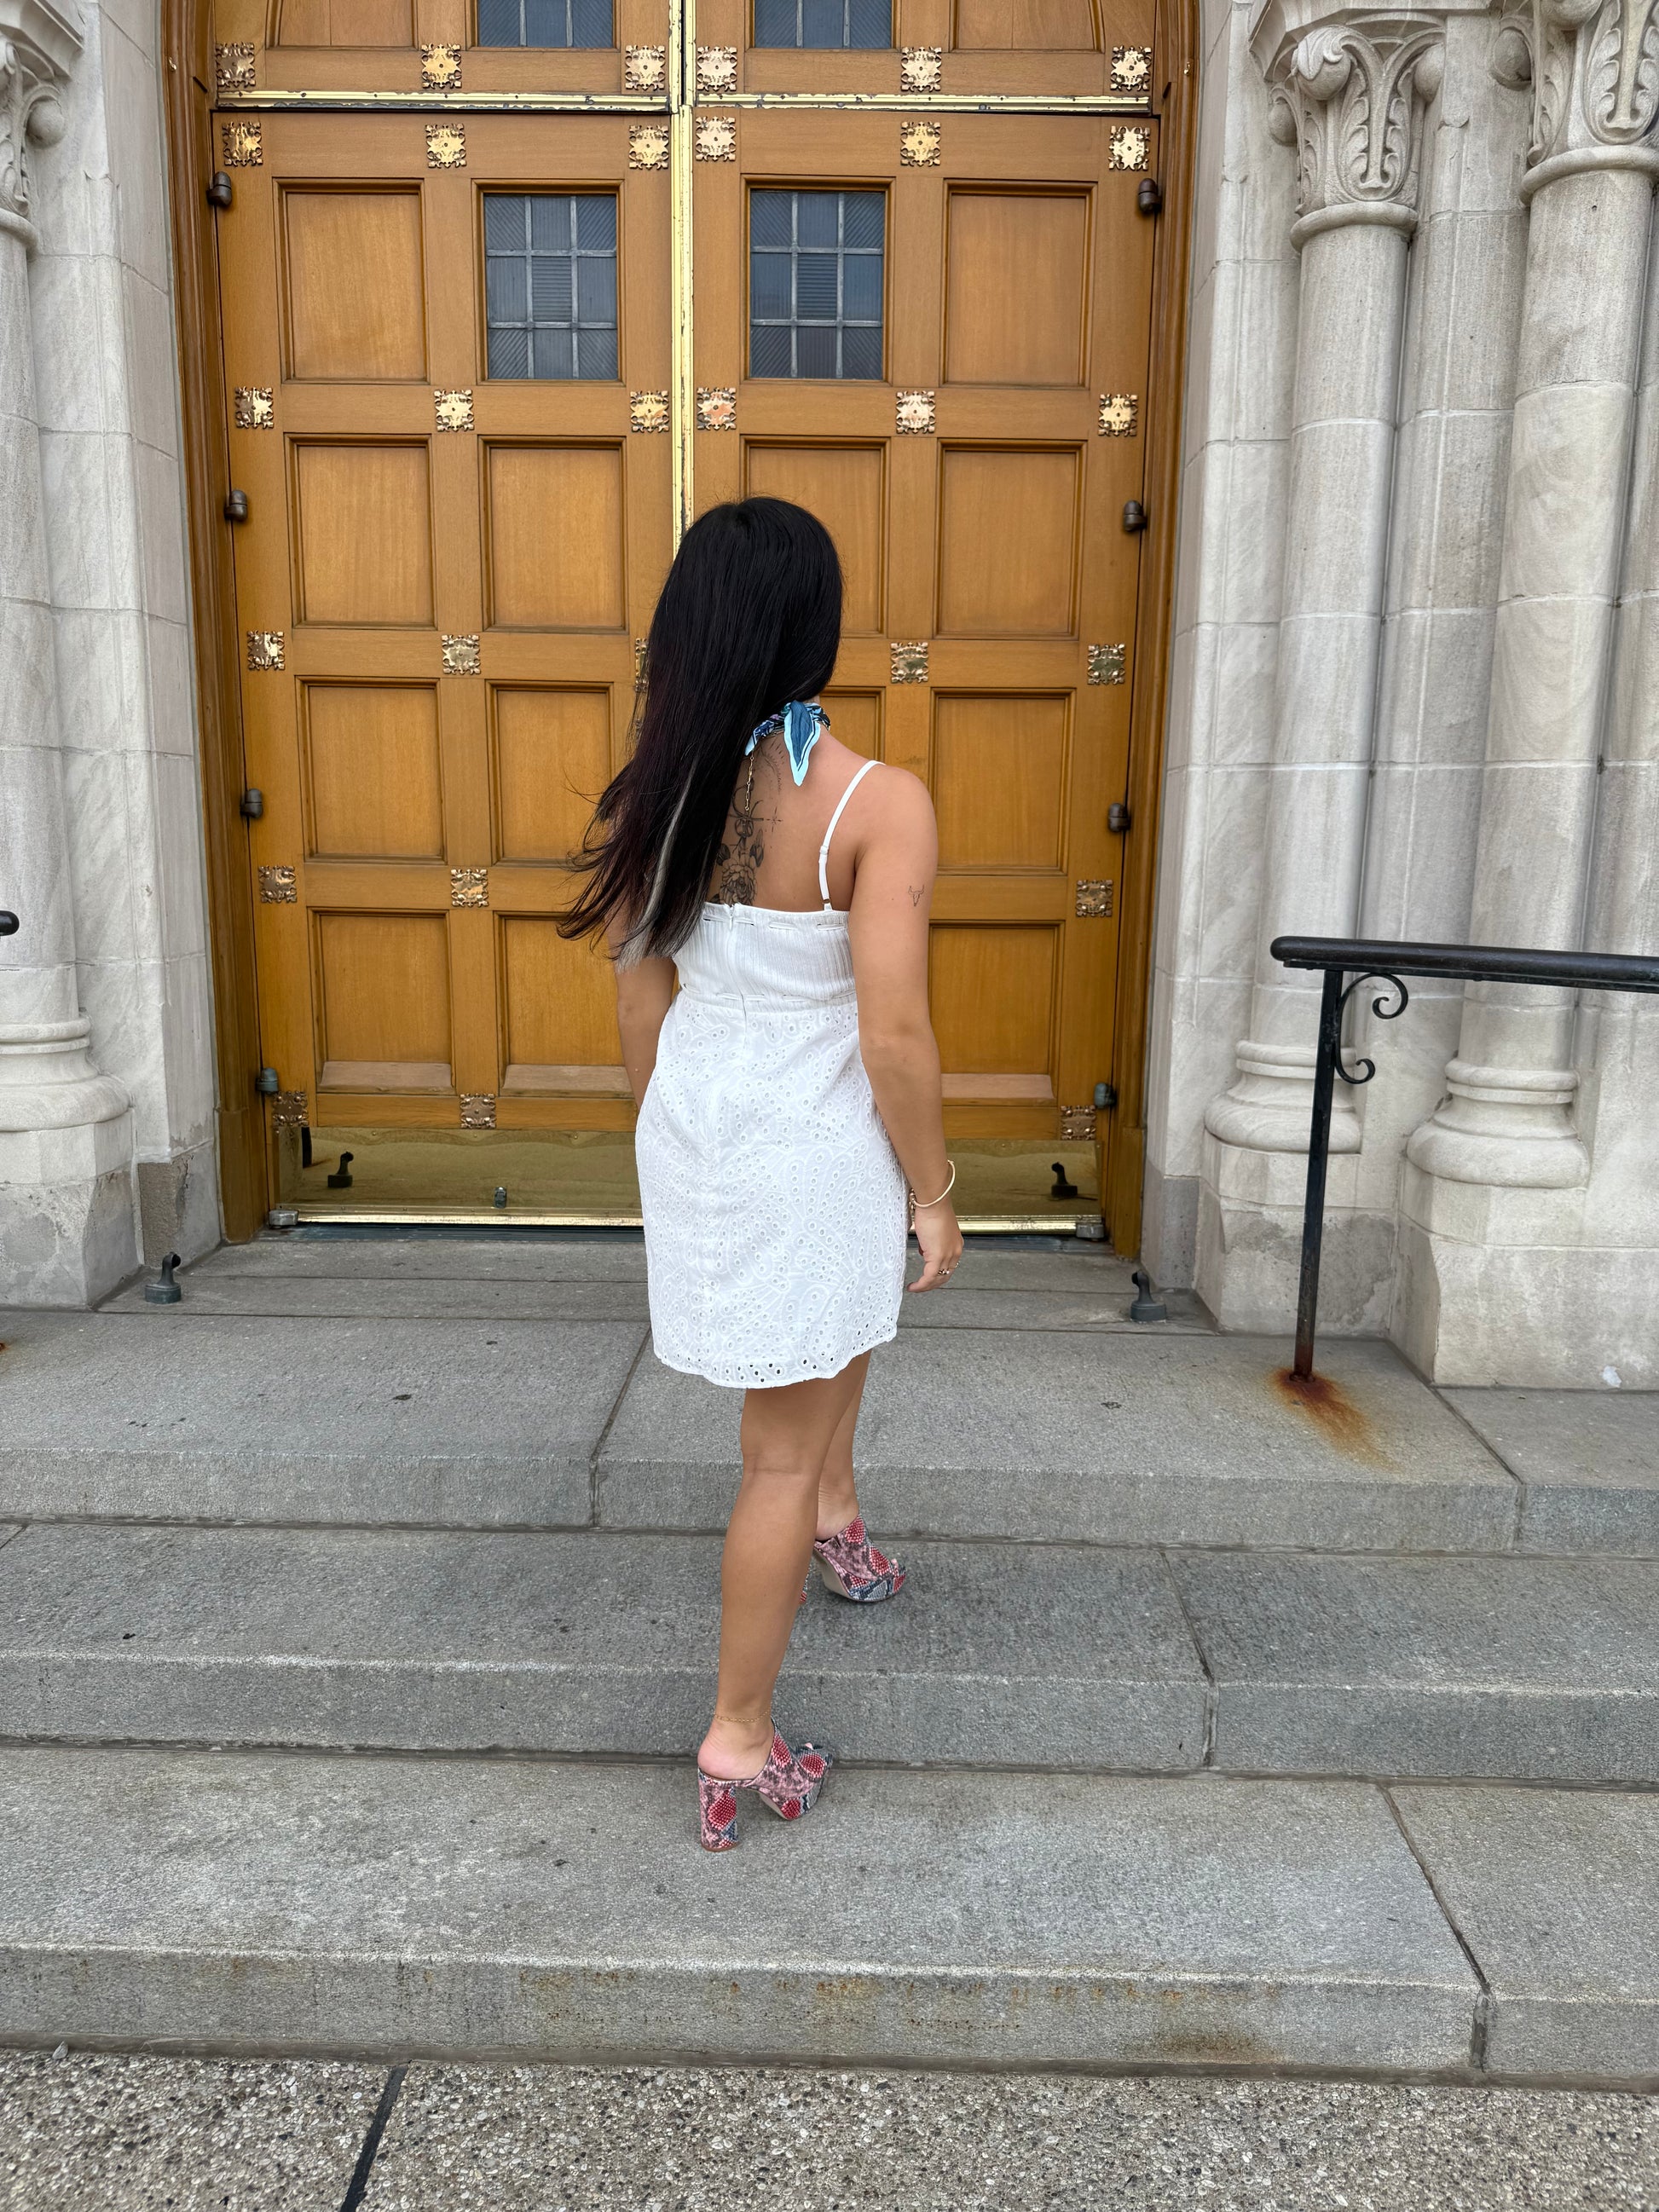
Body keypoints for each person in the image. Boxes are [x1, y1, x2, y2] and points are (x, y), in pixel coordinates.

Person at [559, 496, 962, 1851]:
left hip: (701, 1116)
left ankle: (839, 1512)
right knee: (773, 1454)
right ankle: (739, 1735)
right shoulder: (875, 802)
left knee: (823, 1350)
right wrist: (935, 1192)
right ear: (815, 628)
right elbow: (891, 1035)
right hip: (814, 1130)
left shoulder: (656, 790)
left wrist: (672, 1139)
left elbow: (639, 1002)